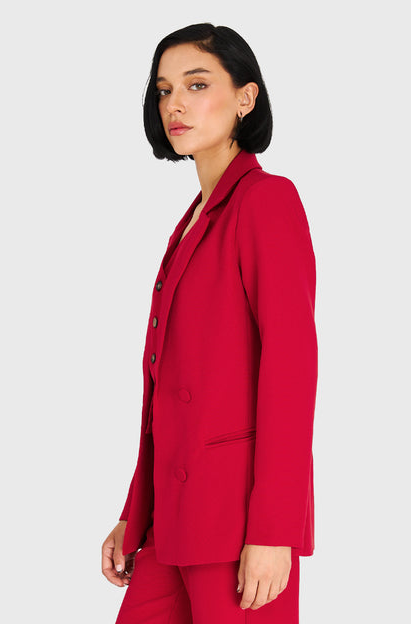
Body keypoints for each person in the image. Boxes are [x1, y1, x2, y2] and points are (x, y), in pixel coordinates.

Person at [102, 22, 318, 623]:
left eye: (197, 84)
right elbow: (166, 394)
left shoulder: (266, 200)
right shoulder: (193, 220)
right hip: (170, 521)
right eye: (165, 89)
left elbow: (291, 372)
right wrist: (135, 513)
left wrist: (274, 531)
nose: (175, 103)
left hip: (237, 526)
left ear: (245, 98)